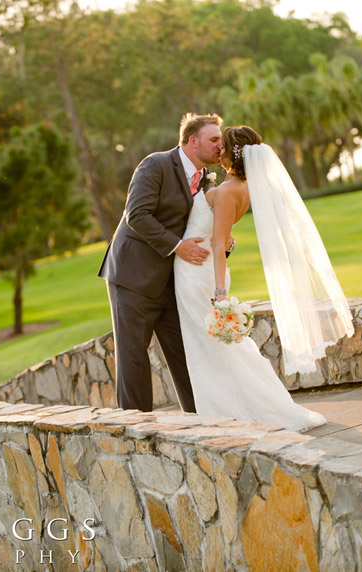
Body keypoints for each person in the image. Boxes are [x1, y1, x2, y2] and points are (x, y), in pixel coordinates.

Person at [174, 126, 354, 432]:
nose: (218, 151)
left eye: (223, 147)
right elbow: (223, 235)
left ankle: (236, 414)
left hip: (200, 277)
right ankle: (230, 410)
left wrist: (219, 293)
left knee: (213, 348)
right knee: (218, 348)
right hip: (201, 270)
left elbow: (219, 244)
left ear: (233, 156)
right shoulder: (242, 189)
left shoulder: (228, 191)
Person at [98, 113, 223, 412]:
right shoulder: (156, 164)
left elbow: (197, 225)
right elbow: (137, 215)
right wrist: (178, 246)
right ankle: (135, 430)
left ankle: (202, 421)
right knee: (133, 358)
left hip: (172, 281)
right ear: (193, 141)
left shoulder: (205, 178)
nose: (221, 145)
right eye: (214, 139)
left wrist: (223, 244)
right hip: (133, 278)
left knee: (186, 352)